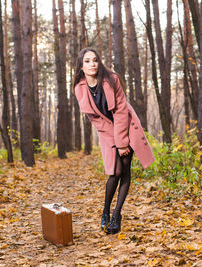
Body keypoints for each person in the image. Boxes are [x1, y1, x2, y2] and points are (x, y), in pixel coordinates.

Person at [73, 47, 155, 234]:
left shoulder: (112, 79)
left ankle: (117, 216)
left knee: (125, 170)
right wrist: (116, 143)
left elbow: (120, 111)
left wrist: (123, 142)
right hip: (106, 131)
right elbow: (94, 119)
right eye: (87, 61)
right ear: (81, 66)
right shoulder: (80, 88)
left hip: (126, 126)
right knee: (114, 172)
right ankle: (105, 212)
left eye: (95, 60)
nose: (92, 64)